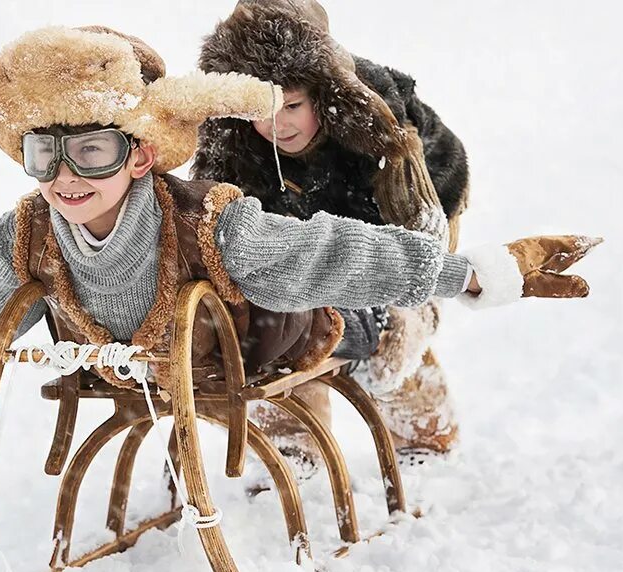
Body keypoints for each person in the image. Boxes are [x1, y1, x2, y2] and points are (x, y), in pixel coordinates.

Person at [0, 25, 596, 421]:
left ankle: (408, 383)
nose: (65, 179)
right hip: (144, 367)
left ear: (142, 154)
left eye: (90, 152)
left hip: (267, 338)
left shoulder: (212, 224)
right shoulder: (31, 236)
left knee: (373, 346)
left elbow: (324, 251)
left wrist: (462, 272)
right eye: (42, 155)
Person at [193, 0, 476, 462]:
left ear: (322, 92)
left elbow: (420, 240)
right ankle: (292, 447)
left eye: (292, 105)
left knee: (394, 325)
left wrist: (387, 288)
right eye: (261, 110)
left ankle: (426, 435)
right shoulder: (237, 138)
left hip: (406, 223)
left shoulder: (377, 125)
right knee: (280, 327)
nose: (276, 124)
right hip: (306, 244)